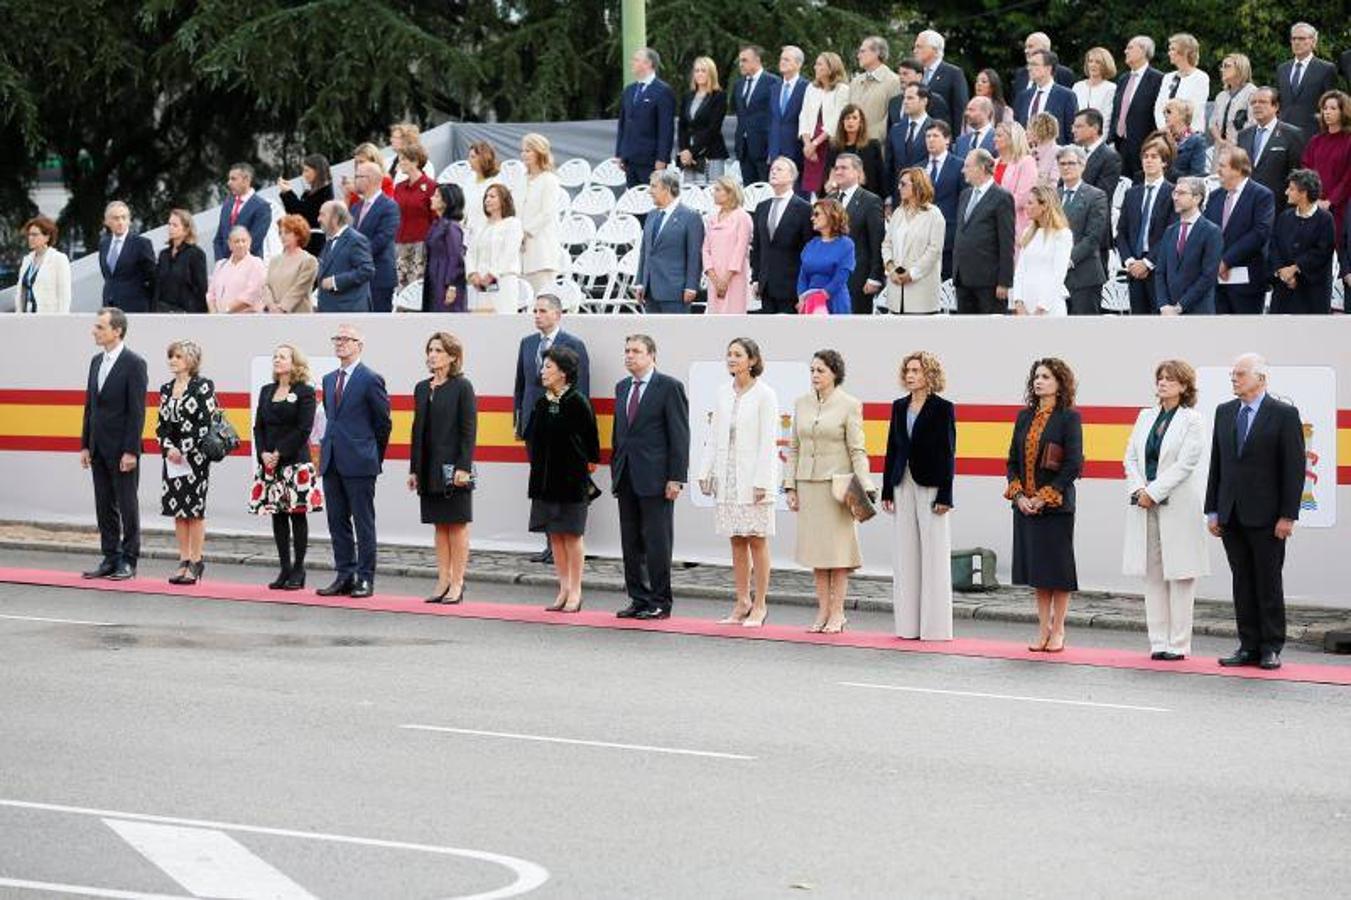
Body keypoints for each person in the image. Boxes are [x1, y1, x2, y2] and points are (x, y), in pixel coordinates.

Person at [1206, 353, 1306, 670]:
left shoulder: (1284, 414)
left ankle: (1271, 646)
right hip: (1231, 513)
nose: (1234, 379)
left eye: (1240, 374)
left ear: (1261, 378)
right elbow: (1217, 464)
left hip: (1268, 516)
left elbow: (1294, 469)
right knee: (1242, 581)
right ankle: (1247, 645)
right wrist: (1212, 510)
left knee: (1268, 581)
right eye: (1232, 374)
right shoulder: (1224, 412)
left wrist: (1288, 515)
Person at [1122, 359, 1209, 660]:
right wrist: (1138, 490)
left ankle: (1179, 643)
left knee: (1181, 575)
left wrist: (1154, 492)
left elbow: (1186, 463)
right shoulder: (1145, 416)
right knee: (1153, 574)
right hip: (1144, 504)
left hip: (1177, 506)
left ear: (1184, 386)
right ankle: (1158, 641)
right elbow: (1130, 457)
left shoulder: (1193, 420)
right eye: (1160, 378)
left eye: (1170, 379)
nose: (1163, 383)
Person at [784, 350, 873, 634]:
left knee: (838, 554)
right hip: (808, 486)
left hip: (838, 488)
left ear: (835, 373)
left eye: (820, 370)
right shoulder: (801, 403)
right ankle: (822, 610)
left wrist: (866, 484)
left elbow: (857, 449)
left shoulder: (850, 405)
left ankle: (838, 613)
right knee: (817, 554)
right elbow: (794, 447)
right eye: (812, 370)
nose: (814, 376)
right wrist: (790, 485)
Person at [697, 338, 779, 627]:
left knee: (757, 539)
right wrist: (705, 471)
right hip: (728, 475)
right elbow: (714, 435)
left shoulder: (765, 394)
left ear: (752, 360)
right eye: (729, 354)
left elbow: (768, 442)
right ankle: (742, 600)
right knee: (736, 539)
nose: (731, 359)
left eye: (738, 354)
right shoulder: (722, 393)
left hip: (754, 477)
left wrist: (762, 482)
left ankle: (760, 604)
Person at [1004, 358, 1083, 653]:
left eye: (1046, 377)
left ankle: (1059, 628)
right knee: (1038, 573)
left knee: (1058, 571)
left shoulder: (1069, 418)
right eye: (1036, 377)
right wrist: (1020, 496)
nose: (1039, 381)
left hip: (1056, 506)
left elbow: (1074, 464)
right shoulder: (1023, 417)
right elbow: (1011, 461)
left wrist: (1043, 496)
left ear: (1059, 383)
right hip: (1025, 505)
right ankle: (1042, 629)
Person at [612, 334, 690, 621]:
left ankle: (660, 601)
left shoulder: (669, 387)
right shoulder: (622, 388)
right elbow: (620, 434)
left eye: (636, 351)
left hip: (657, 478)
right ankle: (638, 598)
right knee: (630, 542)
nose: (630, 355)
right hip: (627, 476)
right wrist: (616, 470)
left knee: (657, 542)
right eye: (627, 350)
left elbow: (679, 437)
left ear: (652, 355)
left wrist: (676, 477)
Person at [882, 351, 956, 640]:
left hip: (932, 485)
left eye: (917, 370)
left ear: (930, 374)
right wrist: (888, 488)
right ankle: (908, 626)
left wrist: (946, 495)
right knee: (906, 553)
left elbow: (949, 453)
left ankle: (935, 628)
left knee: (934, 553)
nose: (910, 375)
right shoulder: (899, 407)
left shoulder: (943, 408)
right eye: (908, 370)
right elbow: (892, 448)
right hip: (903, 482)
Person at [514, 293, 591, 565]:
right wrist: (519, 421)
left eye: (543, 310)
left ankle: (564, 541)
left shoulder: (574, 344)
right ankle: (549, 543)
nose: (537, 315)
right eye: (535, 310)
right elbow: (521, 385)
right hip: (535, 425)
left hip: (563, 429)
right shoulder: (527, 344)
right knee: (542, 485)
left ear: (558, 314)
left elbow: (582, 389)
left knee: (561, 484)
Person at [316, 324, 391, 600]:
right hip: (332, 460)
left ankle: (365, 578)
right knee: (337, 522)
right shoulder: (327, 379)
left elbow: (383, 423)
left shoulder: (370, 379)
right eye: (337, 338)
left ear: (360, 345)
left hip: (360, 461)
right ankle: (344, 574)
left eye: (347, 339)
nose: (341, 343)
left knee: (363, 522)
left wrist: (373, 455)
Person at [527, 346, 600, 613]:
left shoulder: (578, 401)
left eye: (548, 367)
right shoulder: (541, 402)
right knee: (555, 535)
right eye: (543, 366)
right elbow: (533, 438)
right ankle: (564, 587)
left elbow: (592, 443)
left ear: (563, 372)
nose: (543, 372)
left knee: (572, 534)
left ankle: (577, 590)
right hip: (545, 479)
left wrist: (583, 468)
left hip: (571, 479)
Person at [409, 332, 477, 604]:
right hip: (428, 468)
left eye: (438, 350)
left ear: (452, 356)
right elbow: (417, 432)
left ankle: (458, 582)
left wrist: (463, 467)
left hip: (454, 468)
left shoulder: (462, 387)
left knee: (457, 525)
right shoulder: (422, 388)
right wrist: (414, 469)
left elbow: (468, 431)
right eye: (430, 350)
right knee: (439, 525)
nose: (432, 355)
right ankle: (443, 580)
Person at [80, 308, 148, 581]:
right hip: (98, 447)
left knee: (127, 505)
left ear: (117, 330)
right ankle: (110, 556)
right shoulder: (96, 361)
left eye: (100, 327)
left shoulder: (134, 363)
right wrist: (85, 444)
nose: (94, 331)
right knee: (104, 504)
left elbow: (137, 411)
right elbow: (90, 406)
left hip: (122, 449)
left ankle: (129, 559)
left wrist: (131, 450)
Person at [249, 343, 321, 591]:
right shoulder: (266, 390)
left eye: (282, 356)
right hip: (271, 464)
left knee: (296, 515)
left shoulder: (305, 391)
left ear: (295, 362)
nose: (277, 360)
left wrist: (280, 452)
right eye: (275, 356)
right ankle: (284, 568)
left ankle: (299, 569)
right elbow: (258, 427)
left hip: (295, 463)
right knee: (278, 515)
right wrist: (264, 454)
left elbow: (304, 429)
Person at [155, 341, 217, 586]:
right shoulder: (165, 388)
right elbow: (160, 425)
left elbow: (206, 424)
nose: (172, 360)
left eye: (178, 356)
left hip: (196, 457)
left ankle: (196, 560)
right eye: (171, 356)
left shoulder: (203, 386)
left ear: (191, 360)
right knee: (178, 510)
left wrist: (184, 448)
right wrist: (169, 447)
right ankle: (183, 559)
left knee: (194, 510)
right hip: (172, 459)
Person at [1205, 147, 1276, 315]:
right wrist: (1215, 262)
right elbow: (1207, 232)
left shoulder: (1261, 195)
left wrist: (1227, 261)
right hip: (1217, 282)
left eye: (1222, 166)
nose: (1218, 170)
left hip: (1247, 283)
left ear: (1237, 169)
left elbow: (1260, 233)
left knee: (1247, 336)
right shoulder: (1215, 196)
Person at [1117, 138, 1178, 315]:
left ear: (1164, 162)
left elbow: (1171, 234)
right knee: (1138, 324)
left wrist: (1147, 263)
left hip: (1159, 268)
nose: (1149, 160)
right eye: (1145, 157)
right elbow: (1121, 232)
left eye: (1154, 157)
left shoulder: (1173, 193)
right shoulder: (1132, 193)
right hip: (1133, 268)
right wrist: (1130, 262)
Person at [952, 149, 1015, 314]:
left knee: (989, 334)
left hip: (989, 281)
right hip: (963, 278)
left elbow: (1007, 242)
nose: (962, 170)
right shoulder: (965, 195)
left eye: (967, 166)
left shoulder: (1002, 197)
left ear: (981, 168)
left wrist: (1004, 281)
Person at [750, 157, 815, 314]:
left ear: (792, 176)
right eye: (772, 169)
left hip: (792, 286)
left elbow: (808, 250)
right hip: (766, 285)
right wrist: (756, 278)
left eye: (779, 169)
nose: (773, 172)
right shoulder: (762, 207)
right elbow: (758, 246)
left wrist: (806, 286)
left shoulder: (804, 209)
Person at [634, 169, 704, 314]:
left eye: (654, 186)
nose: (650, 191)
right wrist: (640, 282)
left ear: (667, 188)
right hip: (650, 291)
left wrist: (691, 286)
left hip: (676, 292)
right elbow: (645, 251)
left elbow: (694, 256)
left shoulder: (691, 217)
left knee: (676, 335)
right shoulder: (652, 215)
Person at [1269, 169, 1337, 314]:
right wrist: (1283, 273)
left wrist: (1295, 268)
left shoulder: (1325, 219)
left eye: (1292, 189)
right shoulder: (1285, 217)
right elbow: (1274, 246)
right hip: (1284, 292)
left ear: (1304, 193)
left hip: (1311, 294)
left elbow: (1322, 252)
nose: (1287, 192)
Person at [1154, 176, 1222, 314]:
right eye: (1175, 193)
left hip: (1198, 312)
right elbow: (1160, 271)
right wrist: (1164, 304)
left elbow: (1208, 276)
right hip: (1169, 313)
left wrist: (1180, 306)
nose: (1175, 198)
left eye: (1182, 193)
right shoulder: (1170, 231)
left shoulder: (1211, 231)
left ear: (1197, 198)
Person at [1055, 145, 1110, 315]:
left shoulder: (1096, 196)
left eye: (1071, 163)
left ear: (1083, 165)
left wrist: (1066, 260)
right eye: (1062, 164)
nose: (1066, 167)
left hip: (1084, 275)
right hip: (1055, 276)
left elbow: (1093, 237)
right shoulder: (1052, 196)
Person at [1237, 87, 1308, 217]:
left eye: (1262, 102)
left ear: (1276, 106)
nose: (1257, 106)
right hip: (1246, 207)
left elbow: (1297, 173)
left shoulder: (1292, 134)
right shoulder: (1243, 135)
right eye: (1254, 102)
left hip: (1278, 207)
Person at [882, 167, 945, 314]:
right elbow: (886, 244)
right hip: (896, 292)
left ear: (917, 185)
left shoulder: (934, 214)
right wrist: (890, 268)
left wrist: (912, 274)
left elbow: (934, 251)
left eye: (903, 184)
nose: (899, 187)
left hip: (922, 294)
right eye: (899, 184)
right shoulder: (898, 213)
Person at [827, 154, 884, 313]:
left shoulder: (870, 201)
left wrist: (875, 276)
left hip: (857, 278)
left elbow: (877, 241)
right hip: (830, 278)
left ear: (858, 172)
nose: (838, 171)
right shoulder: (829, 200)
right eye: (836, 168)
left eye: (844, 168)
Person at [615, 47, 676, 188]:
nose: (632, 63)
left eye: (636, 60)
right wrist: (620, 153)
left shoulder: (662, 91)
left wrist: (662, 158)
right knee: (634, 201)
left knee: (651, 200)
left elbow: (666, 129)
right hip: (630, 159)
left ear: (648, 64)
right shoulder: (629, 91)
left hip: (650, 160)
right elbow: (623, 124)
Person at [1300, 90, 1351, 252]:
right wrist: (1312, 199)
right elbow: (1305, 169)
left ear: (1344, 111)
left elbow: (1348, 176)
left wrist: (1330, 201)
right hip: (1315, 205)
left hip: (1342, 207)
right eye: (1324, 108)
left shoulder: (1349, 140)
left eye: (1333, 108)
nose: (1327, 112)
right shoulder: (1316, 140)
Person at [1010, 185, 1072, 316]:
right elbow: (1020, 270)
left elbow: (1058, 275)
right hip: (1025, 305)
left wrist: (1041, 308)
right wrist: (1018, 302)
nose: (1026, 206)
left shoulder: (1062, 235)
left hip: (1050, 307)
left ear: (1044, 206)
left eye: (1030, 203)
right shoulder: (1028, 233)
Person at [1112, 36, 1165, 183]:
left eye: (1130, 48)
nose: (1125, 51)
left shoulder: (1158, 79)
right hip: (1121, 144)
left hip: (1144, 144)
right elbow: (1118, 111)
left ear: (1143, 51)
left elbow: (1158, 112)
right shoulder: (1123, 79)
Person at [798, 52, 851, 197]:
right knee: (812, 187)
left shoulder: (842, 90)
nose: (815, 67)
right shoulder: (811, 88)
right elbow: (804, 116)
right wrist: (807, 143)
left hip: (830, 143)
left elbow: (837, 119)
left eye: (819, 64)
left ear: (831, 67)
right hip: (810, 143)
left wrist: (815, 144)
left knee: (827, 184)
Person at [351, 160, 401, 313]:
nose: (355, 180)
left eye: (358, 176)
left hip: (379, 277)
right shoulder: (355, 208)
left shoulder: (389, 206)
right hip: (356, 279)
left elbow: (382, 239)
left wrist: (355, 255)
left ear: (370, 179)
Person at [466, 183, 524, 314]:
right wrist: (472, 273)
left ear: (503, 200)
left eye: (492, 196)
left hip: (503, 281)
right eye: (486, 196)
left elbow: (509, 252)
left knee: (502, 320)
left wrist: (492, 274)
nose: (487, 200)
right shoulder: (480, 226)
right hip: (479, 284)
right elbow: (470, 252)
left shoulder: (512, 223)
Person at [701, 177, 754, 314]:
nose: (714, 193)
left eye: (718, 190)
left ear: (730, 193)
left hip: (734, 277)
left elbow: (740, 251)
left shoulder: (742, 217)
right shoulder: (712, 218)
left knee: (733, 314)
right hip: (714, 277)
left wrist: (725, 280)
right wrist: (713, 276)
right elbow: (706, 249)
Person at [1277, 23, 1338, 139]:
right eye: (1293, 38)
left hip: (1313, 134)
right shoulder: (1282, 69)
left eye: (1301, 38)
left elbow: (1331, 103)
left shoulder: (1326, 69)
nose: (1296, 42)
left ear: (1313, 42)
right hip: (1284, 133)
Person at [519, 133, 563, 292]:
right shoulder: (521, 179)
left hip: (542, 252)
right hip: (521, 253)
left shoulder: (549, 180)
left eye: (528, 150)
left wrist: (526, 231)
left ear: (539, 152)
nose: (524, 154)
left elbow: (547, 213)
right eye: (522, 150)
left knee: (542, 297)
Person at [797, 197, 856, 315]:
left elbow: (842, 275)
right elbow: (803, 276)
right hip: (810, 303)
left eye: (817, 214)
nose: (812, 218)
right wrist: (802, 297)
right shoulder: (811, 244)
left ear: (831, 215)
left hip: (835, 302)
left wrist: (823, 295)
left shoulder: (846, 244)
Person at [316, 200, 375, 313]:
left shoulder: (356, 239)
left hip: (349, 312)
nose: (318, 219)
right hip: (328, 312)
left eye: (322, 215)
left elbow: (367, 270)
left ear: (336, 218)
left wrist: (335, 281)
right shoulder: (329, 241)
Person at [678, 56, 729, 185]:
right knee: (691, 195)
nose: (699, 74)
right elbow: (682, 125)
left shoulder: (719, 96)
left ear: (711, 73)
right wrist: (684, 150)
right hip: (689, 157)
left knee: (711, 194)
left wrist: (692, 151)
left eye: (703, 70)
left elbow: (713, 128)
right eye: (697, 70)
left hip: (711, 154)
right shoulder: (687, 96)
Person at [733, 45, 780, 184]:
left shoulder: (773, 82)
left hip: (764, 148)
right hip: (744, 148)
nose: (741, 64)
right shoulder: (739, 85)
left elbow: (775, 116)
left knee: (767, 190)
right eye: (740, 61)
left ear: (757, 60)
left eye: (745, 60)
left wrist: (773, 148)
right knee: (749, 193)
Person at [392, 145, 436, 291]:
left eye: (404, 159)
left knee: (417, 288)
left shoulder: (431, 187)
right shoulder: (399, 187)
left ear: (415, 162)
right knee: (401, 287)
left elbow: (435, 218)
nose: (400, 163)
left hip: (421, 245)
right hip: (400, 244)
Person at [922, 122, 963, 280]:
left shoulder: (960, 165)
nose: (930, 140)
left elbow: (963, 201)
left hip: (949, 238)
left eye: (935, 136)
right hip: (923, 240)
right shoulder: (918, 168)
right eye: (927, 136)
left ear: (947, 140)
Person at [99, 201, 156, 313]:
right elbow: (108, 275)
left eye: (124, 218)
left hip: (135, 307)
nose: (120, 222)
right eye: (116, 218)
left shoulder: (141, 243)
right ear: (107, 221)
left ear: (129, 221)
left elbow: (152, 276)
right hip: (109, 306)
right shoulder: (104, 244)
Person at [825, 104, 887, 200]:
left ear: (861, 122)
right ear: (842, 122)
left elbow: (881, 176)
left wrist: (886, 201)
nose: (850, 121)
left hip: (867, 198)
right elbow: (829, 175)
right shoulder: (834, 147)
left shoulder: (872, 145)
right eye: (847, 118)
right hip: (840, 197)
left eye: (854, 118)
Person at [886, 84, 938, 199]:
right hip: (899, 197)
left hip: (925, 196)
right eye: (904, 98)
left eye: (910, 98)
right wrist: (888, 197)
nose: (905, 102)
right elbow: (889, 166)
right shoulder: (896, 129)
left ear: (924, 101)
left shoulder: (936, 129)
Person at [423, 183, 468, 313]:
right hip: (434, 277)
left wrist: (452, 285)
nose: (432, 198)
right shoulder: (437, 224)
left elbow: (456, 257)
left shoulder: (452, 227)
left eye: (436, 196)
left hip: (444, 279)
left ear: (447, 201)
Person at [152, 210, 207, 314]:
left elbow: (201, 289)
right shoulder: (164, 254)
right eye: (169, 224)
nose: (170, 228)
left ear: (186, 230)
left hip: (185, 313)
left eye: (175, 225)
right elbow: (158, 285)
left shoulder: (196, 254)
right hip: (162, 311)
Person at [1152, 34, 1209, 134]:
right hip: (1166, 135)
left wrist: (1177, 130)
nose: (1169, 53)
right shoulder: (1168, 77)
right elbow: (1159, 107)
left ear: (1185, 52)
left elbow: (1194, 109)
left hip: (1189, 136)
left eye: (1173, 49)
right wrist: (1164, 129)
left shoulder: (1201, 77)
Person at [912, 30, 969, 131]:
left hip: (941, 136)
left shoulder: (953, 73)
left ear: (934, 49)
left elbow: (960, 110)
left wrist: (955, 141)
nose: (915, 50)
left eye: (919, 46)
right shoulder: (916, 74)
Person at [212, 163, 270, 262]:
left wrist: (235, 262)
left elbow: (254, 242)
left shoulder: (262, 207)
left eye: (233, 179)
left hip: (249, 267)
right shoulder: (227, 205)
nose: (229, 183)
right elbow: (218, 239)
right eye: (229, 179)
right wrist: (222, 262)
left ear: (246, 180)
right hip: (226, 268)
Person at [278, 153, 333, 256]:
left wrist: (288, 193)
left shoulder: (325, 193)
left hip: (315, 244)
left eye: (307, 170)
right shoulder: (312, 193)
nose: (304, 175)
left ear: (317, 171)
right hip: (308, 241)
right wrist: (287, 193)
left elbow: (304, 213)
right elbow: (295, 213)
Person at [1015, 50, 1078, 139]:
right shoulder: (1023, 96)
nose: (1029, 68)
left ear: (1048, 68)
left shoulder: (1066, 96)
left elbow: (1071, 131)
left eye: (1034, 64)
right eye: (1029, 64)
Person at [767, 46, 809, 180]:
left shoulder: (807, 87)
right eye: (781, 59)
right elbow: (773, 119)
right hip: (775, 150)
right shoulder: (774, 87)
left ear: (798, 64)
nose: (782, 62)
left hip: (796, 149)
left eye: (787, 59)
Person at [849, 36, 901, 143]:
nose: (858, 56)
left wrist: (869, 138)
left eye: (862, 51)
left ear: (877, 53)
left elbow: (891, 119)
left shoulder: (894, 81)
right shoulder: (855, 82)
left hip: (877, 149)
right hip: (852, 146)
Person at [263, 215, 319, 314]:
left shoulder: (309, 260)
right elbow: (266, 286)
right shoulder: (274, 260)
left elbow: (299, 289)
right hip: (273, 316)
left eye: (287, 232)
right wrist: (271, 306)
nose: (282, 236)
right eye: (280, 233)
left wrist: (281, 308)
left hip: (298, 316)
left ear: (298, 234)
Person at [16, 215, 72, 314]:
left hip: (48, 316)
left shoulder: (58, 259)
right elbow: (22, 291)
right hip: (26, 316)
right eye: (29, 235)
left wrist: (62, 320)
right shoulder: (27, 260)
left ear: (47, 237)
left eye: (35, 235)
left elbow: (64, 295)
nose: (30, 238)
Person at [993, 122, 1039, 240]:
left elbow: (1023, 197)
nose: (994, 139)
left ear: (1012, 138)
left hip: (1015, 225)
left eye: (999, 136)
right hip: (991, 225)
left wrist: (992, 207)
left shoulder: (1026, 162)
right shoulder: (993, 162)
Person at [206, 227, 266, 314]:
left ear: (249, 243)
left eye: (244, 241)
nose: (240, 244)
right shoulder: (220, 265)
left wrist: (226, 311)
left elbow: (251, 294)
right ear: (230, 244)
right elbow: (210, 294)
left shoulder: (256, 263)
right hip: (220, 320)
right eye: (236, 241)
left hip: (246, 320)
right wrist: (214, 314)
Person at [1209, 54, 1256, 155]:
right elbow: (1212, 123)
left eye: (1227, 66)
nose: (1222, 70)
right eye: (1222, 66)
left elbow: (1253, 123)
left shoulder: (1252, 93)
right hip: (1221, 149)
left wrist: (1234, 143)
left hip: (1242, 149)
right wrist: (1221, 142)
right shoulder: (1221, 96)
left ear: (1240, 68)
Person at [1074, 109, 1124, 201]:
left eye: (1079, 126)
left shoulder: (1110, 157)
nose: (1073, 130)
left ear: (1095, 128)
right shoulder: (1074, 153)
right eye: (1074, 126)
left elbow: (1101, 195)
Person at [1010, 32, 1076, 97]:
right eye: (1026, 47)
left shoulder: (1064, 74)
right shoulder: (1020, 74)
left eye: (1030, 46)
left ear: (1045, 49)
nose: (1026, 51)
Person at [462, 141, 503, 241]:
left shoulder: (497, 181)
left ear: (483, 158)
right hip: (469, 233)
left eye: (473, 157)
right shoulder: (469, 178)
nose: (469, 160)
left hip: (489, 233)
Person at [1162, 99, 1208, 182]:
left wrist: (1169, 171)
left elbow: (1197, 177)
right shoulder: (1162, 136)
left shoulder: (1197, 141)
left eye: (1169, 111)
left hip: (1181, 190)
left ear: (1181, 115)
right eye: (1164, 112)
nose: (1165, 115)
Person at [1073, 47, 1117, 126]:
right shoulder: (1077, 86)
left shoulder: (1111, 88)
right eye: (1090, 61)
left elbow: (1107, 118)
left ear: (1105, 65)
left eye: (1098, 62)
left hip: (1099, 135)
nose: (1093, 65)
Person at [1027, 113, 1061, 186]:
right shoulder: (1030, 152)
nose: (1027, 132)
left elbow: (1054, 184)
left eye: (1029, 129)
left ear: (1041, 130)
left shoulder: (1058, 152)